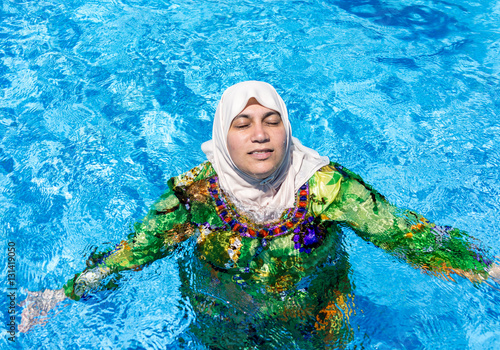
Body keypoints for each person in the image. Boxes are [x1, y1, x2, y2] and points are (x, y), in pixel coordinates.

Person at [20, 81, 499, 348]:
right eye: (242, 124)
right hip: (221, 323)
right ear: (222, 139)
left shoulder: (324, 186)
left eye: (272, 121)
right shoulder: (196, 194)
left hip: (319, 320)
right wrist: (62, 295)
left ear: (287, 129)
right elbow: (136, 250)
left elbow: (401, 231)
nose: (260, 135)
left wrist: (486, 269)